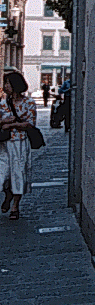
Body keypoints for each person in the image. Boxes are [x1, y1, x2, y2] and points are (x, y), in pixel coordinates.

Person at [0, 71, 37, 221]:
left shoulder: (29, 103)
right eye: (5, 83)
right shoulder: (2, 103)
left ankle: (15, 205)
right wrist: (5, 122)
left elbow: (29, 124)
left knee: (19, 173)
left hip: (20, 142)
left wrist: (12, 123)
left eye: (8, 83)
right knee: (3, 174)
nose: (5, 86)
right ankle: (8, 193)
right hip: (4, 143)